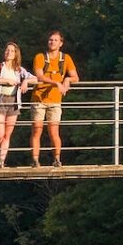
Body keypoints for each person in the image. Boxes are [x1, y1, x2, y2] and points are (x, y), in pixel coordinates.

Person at [30, 31, 79, 167]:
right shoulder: (40, 57)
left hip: (55, 101)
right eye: (51, 40)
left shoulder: (66, 58)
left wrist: (68, 79)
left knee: (54, 131)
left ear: (61, 43)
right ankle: (35, 159)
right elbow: (39, 76)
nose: (52, 42)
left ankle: (57, 159)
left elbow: (76, 77)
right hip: (38, 99)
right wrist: (57, 83)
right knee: (37, 130)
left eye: (55, 40)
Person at [0, 42, 34, 168]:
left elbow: (35, 78)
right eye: (7, 50)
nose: (9, 53)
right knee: (0, 135)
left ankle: (1, 161)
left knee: (7, 134)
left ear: (16, 54)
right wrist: (6, 81)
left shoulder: (19, 70)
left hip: (14, 102)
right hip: (0, 101)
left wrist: (26, 81)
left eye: (12, 51)